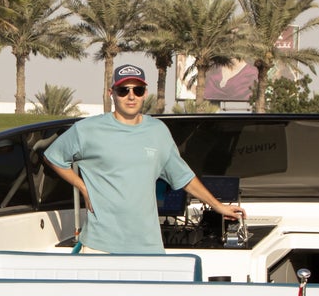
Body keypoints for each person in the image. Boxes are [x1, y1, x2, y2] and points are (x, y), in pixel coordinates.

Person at [44, 64, 244, 253]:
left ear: (145, 94)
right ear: (111, 93)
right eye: (123, 90)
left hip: (147, 245)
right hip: (100, 245)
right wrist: (83, 187)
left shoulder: (158, 131)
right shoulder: (87, 129)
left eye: (138, 90)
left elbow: (183, 176)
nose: (131, 96)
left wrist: (217, 206)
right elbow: (53, 157)